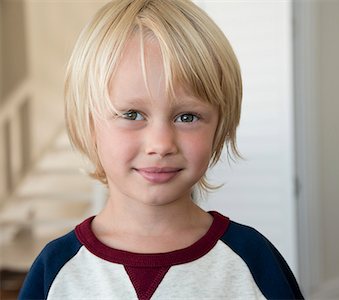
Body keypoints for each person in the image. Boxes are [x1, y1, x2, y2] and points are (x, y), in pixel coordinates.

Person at [18, 0, 303, 299]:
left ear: (220, 126)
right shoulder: (56, 270)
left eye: (187, 117)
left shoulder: (252, 260)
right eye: (131, 114)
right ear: (89, 123)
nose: (161, 144)